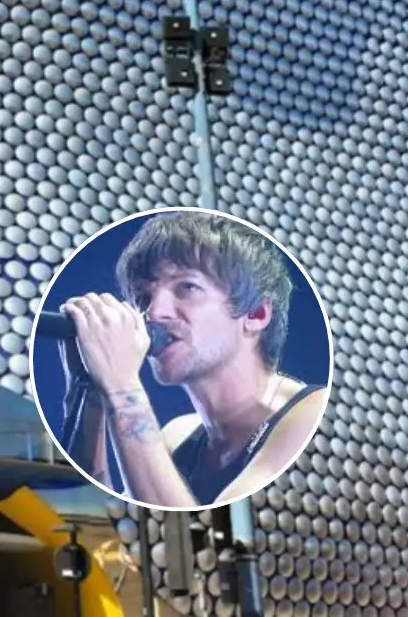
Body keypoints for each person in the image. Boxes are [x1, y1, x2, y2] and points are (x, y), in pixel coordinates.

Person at [58, 211, 327, 508]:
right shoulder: (178, 436)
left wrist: (120, 382)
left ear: (255, 314)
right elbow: (107, 522)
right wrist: (90, 388)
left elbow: (196, 530)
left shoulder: (312, 414)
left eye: (186, 287)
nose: (154, 312)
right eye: (143, 297)